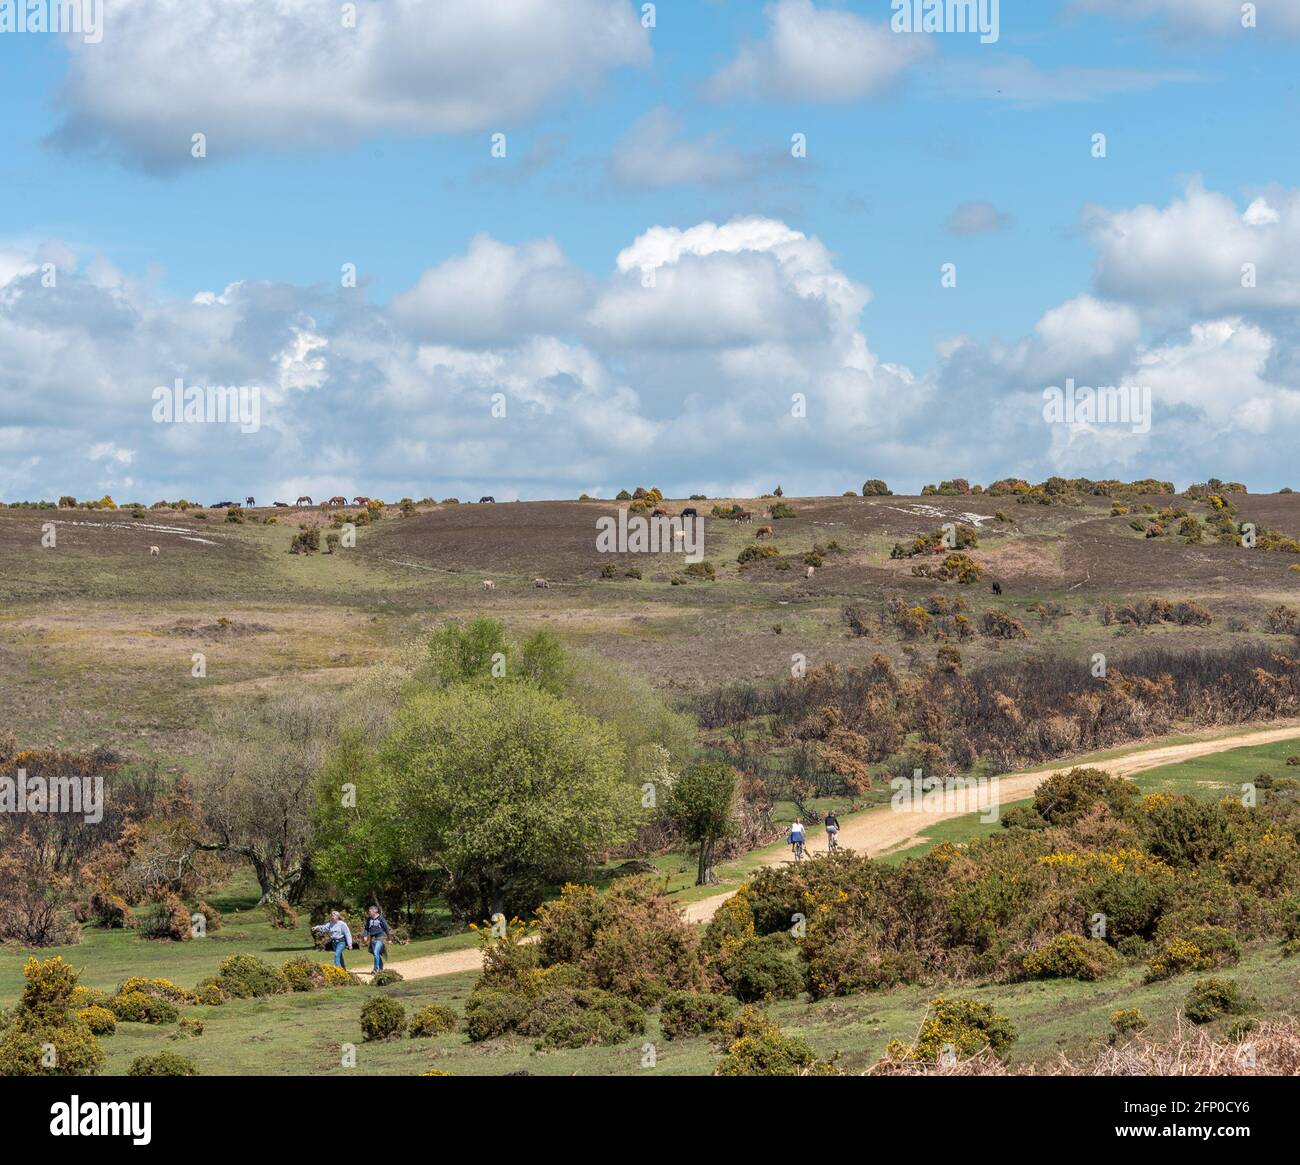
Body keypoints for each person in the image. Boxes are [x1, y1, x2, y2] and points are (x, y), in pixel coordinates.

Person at [361, 905, 403, 973]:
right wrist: (365, 935)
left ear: (375, 911)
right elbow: (366, 928)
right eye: (369, 911)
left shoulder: (380, 918)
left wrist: (389, 939)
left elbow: (386, 928)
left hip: (380, 937)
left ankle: (375, 969)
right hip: (373, 938)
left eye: (370, 911)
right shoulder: (369, 919)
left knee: (376, 952)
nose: (369, 912)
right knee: (375, 953)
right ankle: (381, 966)